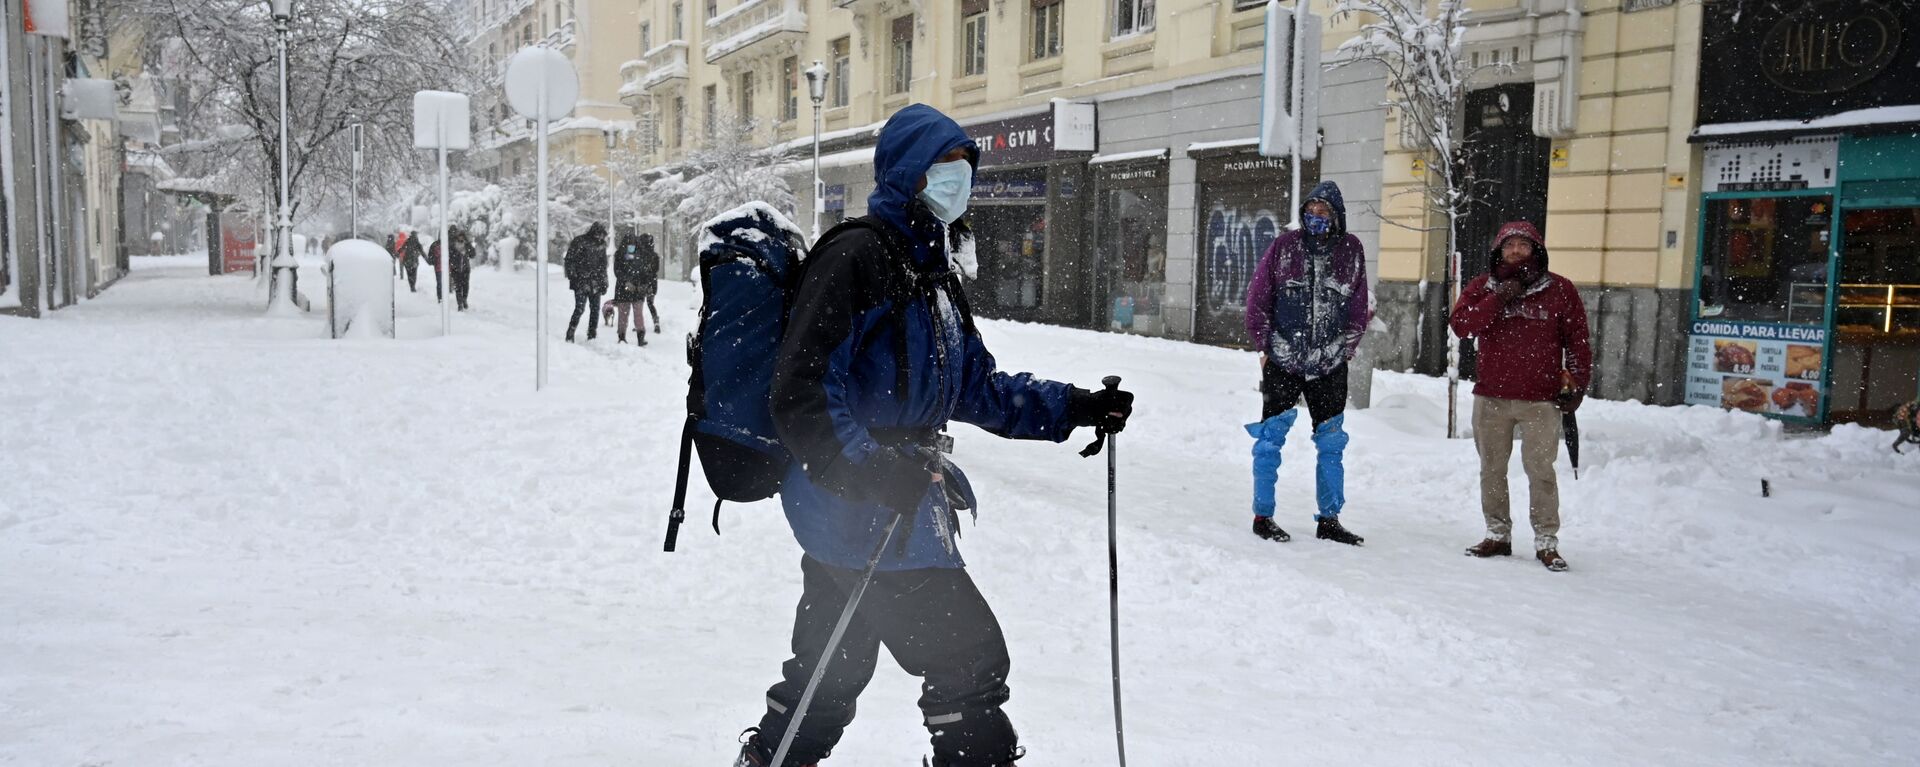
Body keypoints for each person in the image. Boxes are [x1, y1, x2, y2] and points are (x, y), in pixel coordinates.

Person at [734, 104, 1135, 767]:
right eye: (942, 169)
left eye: (963, 170)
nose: (957, 183)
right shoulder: (856, 257)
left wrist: (1076, 407)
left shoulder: (933, 273)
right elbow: (801, 387)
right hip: (853, 502)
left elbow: (978, 387)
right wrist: (867, 469)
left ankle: (770, 759)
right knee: (968, 658)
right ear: (907, 174)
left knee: (829, 671)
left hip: (890, 501)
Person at [1449, 220, 1591, 572]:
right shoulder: (1483, 287)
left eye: (1523, 245)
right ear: (1499, 250)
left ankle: (1546, 541)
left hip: (1541, 400)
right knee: (1491, 469)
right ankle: (1497, 534)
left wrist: (1577, 383)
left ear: (1536, 250)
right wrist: (1498, 298)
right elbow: (1461, 324)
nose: (1515, 250)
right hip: (1491, 397)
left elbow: (1578, 342)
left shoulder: (1560, 290)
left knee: (1541, 471)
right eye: (1509, 244)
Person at [1241, 180, 1371, 546]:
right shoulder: (1284, 247)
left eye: (1323, 212)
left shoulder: (1351, 250)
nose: (1316, 218)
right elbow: (1258, 298)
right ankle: (1262, 515)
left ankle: (1329, 519)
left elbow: (1359, 306)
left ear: (1337, 216)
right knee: (1269, 440)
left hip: (1329, 364)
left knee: (1332, 443)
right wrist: (1264, 347)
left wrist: (1345, 348)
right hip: (1284, 358)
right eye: (1311, 211)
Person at [563, 222, 609, 342]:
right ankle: (571, 331)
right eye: (598, 234)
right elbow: (569, 260)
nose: (600, 237)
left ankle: (592, 333)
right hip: (581, 281)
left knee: (595, 309)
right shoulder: (580, 241)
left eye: (601, 235)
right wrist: (573, 275)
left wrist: (604, 282)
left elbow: (603, 265)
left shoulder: (602, 245)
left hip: (596, 281)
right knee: (580, 308)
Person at [609, 229, 649, 345]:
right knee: (623, 315)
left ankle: (640, 338)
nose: (631, 246)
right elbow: (617, 271)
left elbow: (645, 272)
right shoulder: (620, 255)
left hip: (637, 290)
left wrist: (643, 285)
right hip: (623, 289)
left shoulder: (641, 255)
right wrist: (626, 282)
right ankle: (621, 337)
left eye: (633, 244)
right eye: (629, 244)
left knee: (638, 315)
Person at [429, 225, 477, 310]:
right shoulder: (452, 245)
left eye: (462, 237)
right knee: (458, 287)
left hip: (465, 269)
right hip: (456, 269)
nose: (461, 238)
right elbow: (449, 255)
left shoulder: (467, 245)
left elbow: (473, 255)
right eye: (459, 236)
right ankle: (460, 304)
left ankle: (464, 299)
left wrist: (468, 248)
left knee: (465, 286)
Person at [636, 232, 662, 333]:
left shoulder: (640, 255)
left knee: (639, 303)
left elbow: (638, 270)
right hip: (652, 283)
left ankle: (639, 324)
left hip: (642, 283)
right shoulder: (654, 256)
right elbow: (655, 270)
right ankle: (656, 322)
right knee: (650, 303)